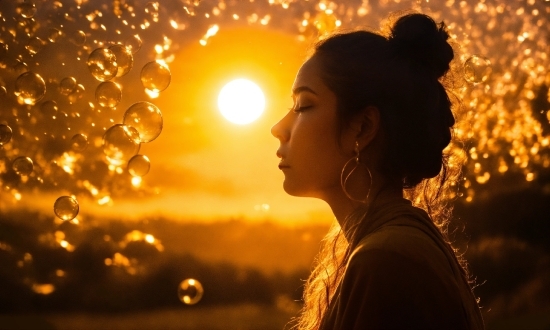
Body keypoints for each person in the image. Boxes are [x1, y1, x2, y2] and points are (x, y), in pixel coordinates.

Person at [271, 12, 485, 330]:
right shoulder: (394, 246)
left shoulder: (386, 261)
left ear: (363, 128)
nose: (278, 128)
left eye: (304, 104)